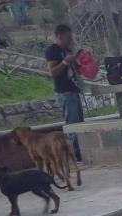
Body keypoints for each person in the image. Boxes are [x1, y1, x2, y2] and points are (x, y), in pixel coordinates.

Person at [45, 24, 83, 161]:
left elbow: (77, 69)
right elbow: (52, 72)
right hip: (64, 91)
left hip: (74, 89)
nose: (70, 40)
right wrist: (66, 62)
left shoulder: (68, 49)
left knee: (80, 123)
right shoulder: (53, 51)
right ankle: (74, 153)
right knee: (72, 124)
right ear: (60, 36)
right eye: (68, 37)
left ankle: (80, 150)